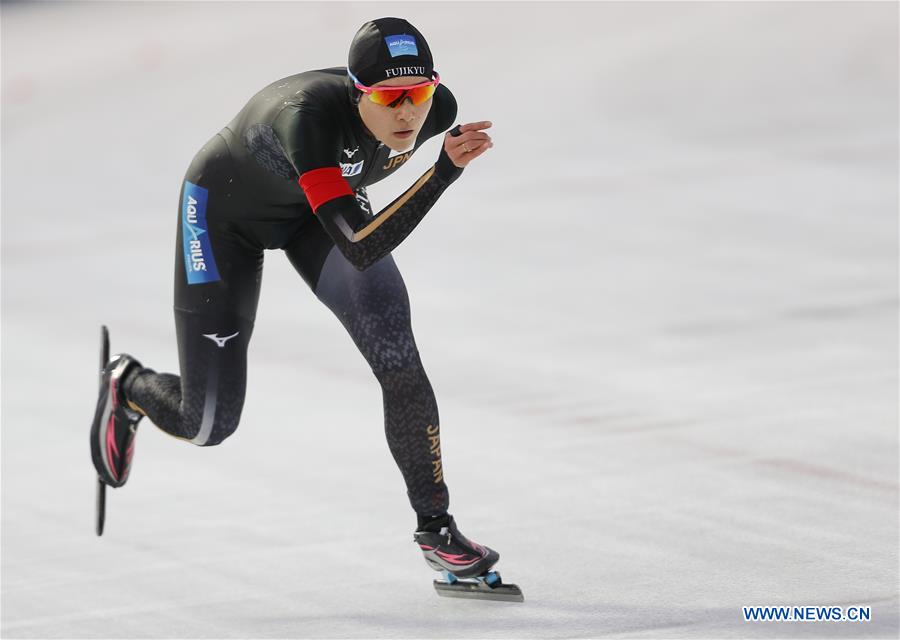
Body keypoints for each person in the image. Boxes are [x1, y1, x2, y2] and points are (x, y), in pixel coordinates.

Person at [89, 17, 499, 579]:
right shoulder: (305, 119)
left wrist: (433, 155)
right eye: (390, 97)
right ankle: (128, 384)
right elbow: (360, 247)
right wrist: (442, 174)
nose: (408, 113)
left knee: (399, 358)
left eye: (419, 93)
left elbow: (355, 235)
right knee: (208, 423)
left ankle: (437, 528)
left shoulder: (439, 112)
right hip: (226, 215)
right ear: (359, 94)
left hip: (319, 211)